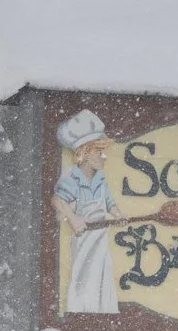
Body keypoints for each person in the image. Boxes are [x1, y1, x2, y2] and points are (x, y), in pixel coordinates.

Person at [50, 109, 127, 314]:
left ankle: (102, 312)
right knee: (85, 274)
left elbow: (110, 203)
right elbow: (57, 200)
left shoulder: (101, 180)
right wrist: (73, 218)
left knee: (102, 272)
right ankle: (82, 311)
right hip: (85, 237)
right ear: (83, 153)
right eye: (98, 152)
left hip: (100, 237)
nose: (104, 157)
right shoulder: (73, 179)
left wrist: (118, 216)